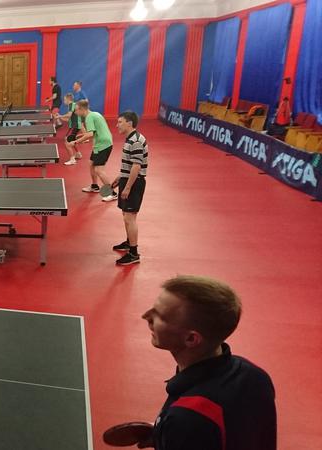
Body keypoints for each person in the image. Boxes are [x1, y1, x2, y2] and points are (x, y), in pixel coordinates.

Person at [141, 275, 276, 450]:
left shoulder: (186, 419)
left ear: (191, 339)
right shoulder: (255, 376)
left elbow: (195, 425)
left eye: (160, 316)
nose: (146, 316)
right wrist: (164, 434)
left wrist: (176, 434)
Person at [111, 111, 148, 266]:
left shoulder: (136, 141)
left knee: (129, 217)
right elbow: (129, 164)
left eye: (120, 122)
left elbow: (136, 166)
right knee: (126, 215)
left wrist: (127, 187)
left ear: (129, 123)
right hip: (127, 180)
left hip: (134, 183)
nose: (117, 125)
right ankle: (129, 242)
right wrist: (120, 177)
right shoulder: (130, 139)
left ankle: (133, 254)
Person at [73, 99, 116, 201]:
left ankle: (112, 193)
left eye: (76, 110)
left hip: (103, 145)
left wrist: (75, 142)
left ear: (82, 109)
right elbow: (94, 132)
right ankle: (95, 186)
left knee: (99, 170)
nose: (75, 112)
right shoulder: (95, 114)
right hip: (101, 143)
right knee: (91, 164)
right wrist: (80, 136)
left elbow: (90, 134)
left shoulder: (89, 117)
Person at [58, 93, 84, 165]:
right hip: (75, 125)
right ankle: (78, 154)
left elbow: (69, 115)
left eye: (64, 100)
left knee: (67, 141)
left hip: (75, 126)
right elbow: (69, 119)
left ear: (68, 99)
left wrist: (60, 116)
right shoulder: (73, 105)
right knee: (72, 140)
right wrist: (60, 117)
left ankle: (72, 159)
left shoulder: (71, 105)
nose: (64, 101)